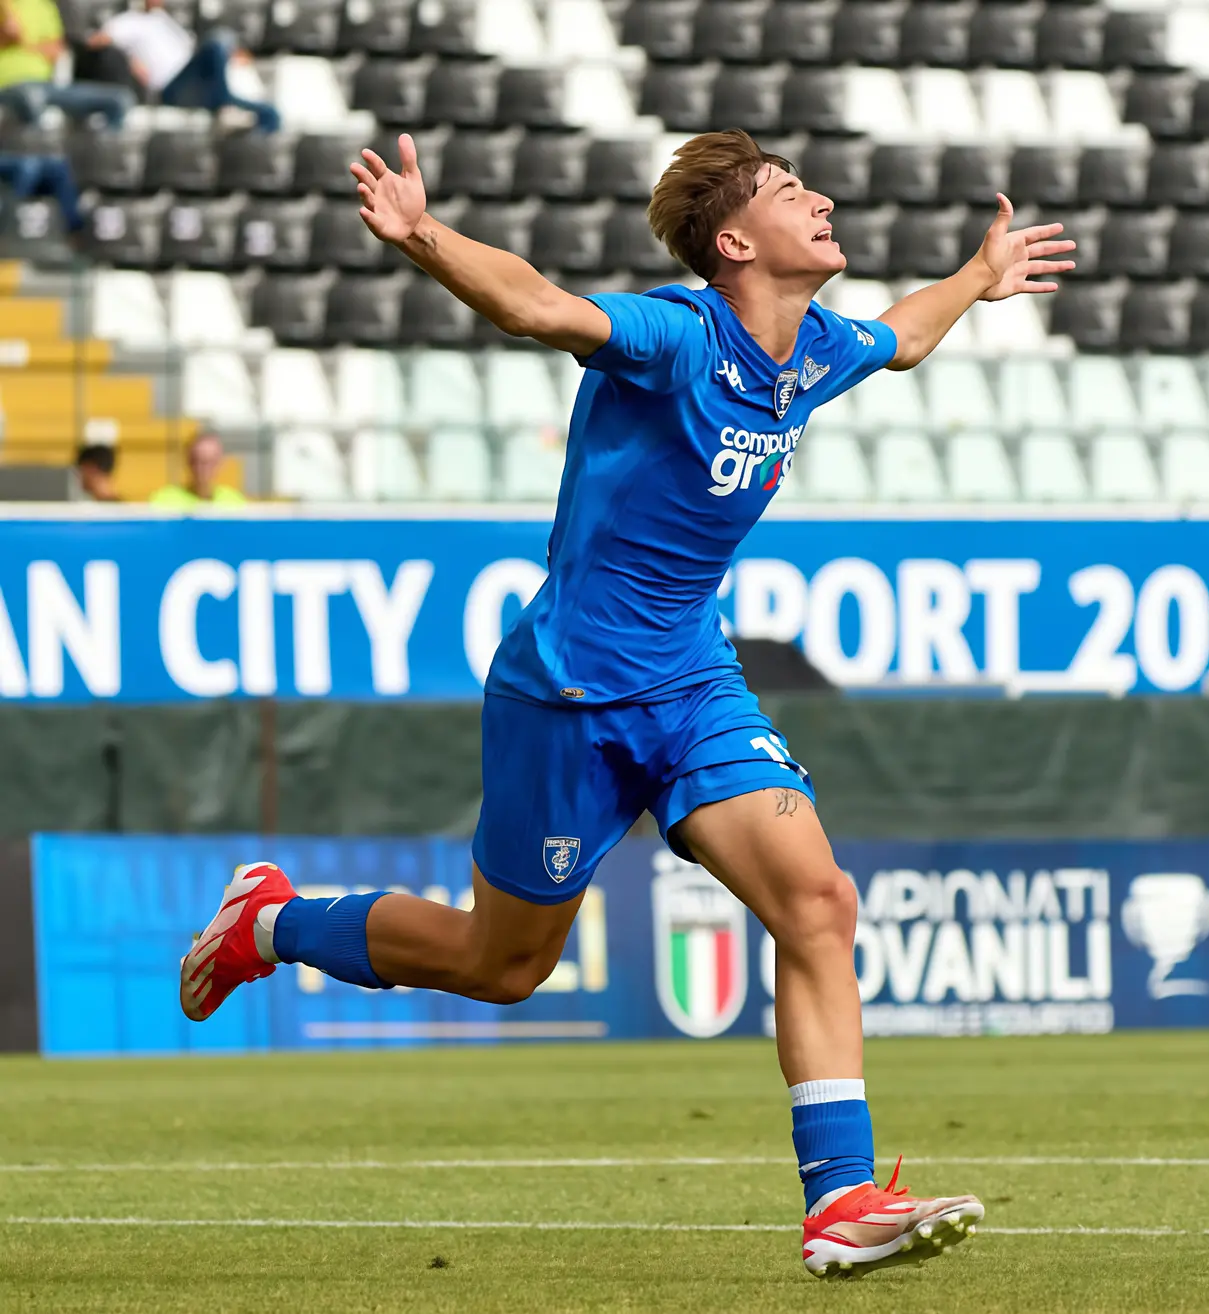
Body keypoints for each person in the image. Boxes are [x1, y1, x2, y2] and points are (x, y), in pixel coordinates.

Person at [180, 129, 1074, 1279]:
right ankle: (272, 922)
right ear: (736, 241)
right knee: (501, 966)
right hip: (569, 694)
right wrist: (424, 237)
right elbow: (541, 308)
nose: (827, 199)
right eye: (794, 192)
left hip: (694, 685)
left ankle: (839, 1198)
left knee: (818, 901)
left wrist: (977, 279)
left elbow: (901, 341)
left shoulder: (814, 351)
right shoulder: (675, 335)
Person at [85, 0, 279, 132]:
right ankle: (225, 106)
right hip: (171, 87)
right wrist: (128, 58)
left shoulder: (166, 21)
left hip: (200, 85)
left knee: (269, 113)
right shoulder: (128, 21)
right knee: (218, 40)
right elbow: (95, 42)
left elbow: (193, 52)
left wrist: (234, 55)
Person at [0, 0, 133, 126]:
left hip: (46, 85)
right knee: (32, 97)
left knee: (119, 100)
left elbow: (56, 49)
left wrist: (23, 44)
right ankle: (34, 149)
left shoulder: (44, 6)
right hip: (8, 85)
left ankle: (101, 149)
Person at [150, 430, 246, 507]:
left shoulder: (234, 502)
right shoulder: (165, 501)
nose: (203, 468)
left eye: (210, 462)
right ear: (188, 461)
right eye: (197, 460)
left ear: (221, 463)